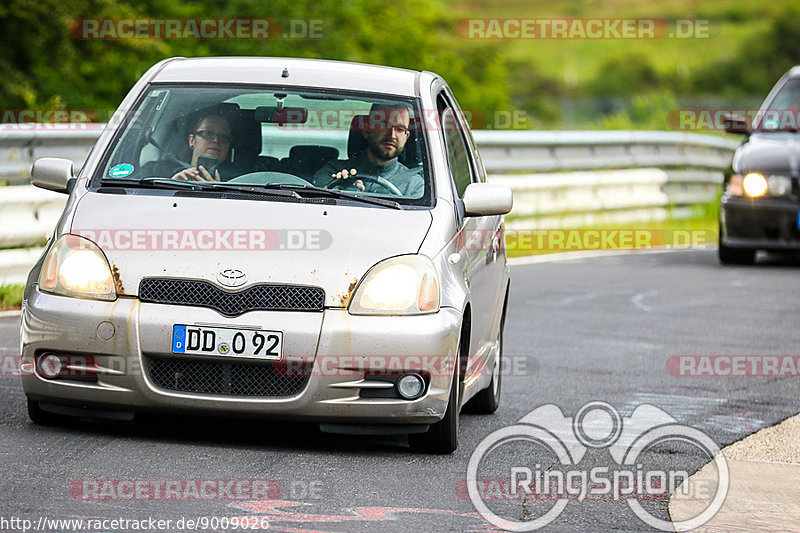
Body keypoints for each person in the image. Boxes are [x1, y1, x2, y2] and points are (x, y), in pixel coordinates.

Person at [312, 104, 424, 197]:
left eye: (400, 129)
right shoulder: (333, 172)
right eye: (385, 126)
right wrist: (342, 191)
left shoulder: (415, 186)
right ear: (366, 129)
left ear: (406, 136)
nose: (392, 135)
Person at [141, 111, 238, 182]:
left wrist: (220, 192)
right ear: (192, 140)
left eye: (223, 136)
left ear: (229, 145)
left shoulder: (240, 180)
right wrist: (171, 184)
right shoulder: (155, 171)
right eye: (207, 133)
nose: (216, 140)